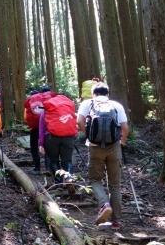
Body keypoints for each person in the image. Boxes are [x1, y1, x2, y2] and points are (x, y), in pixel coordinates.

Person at [77, 82, 129, 230]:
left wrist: (89, 136)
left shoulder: (88, 103)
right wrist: (122, 143)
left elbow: (79, 121)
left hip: (95, 147)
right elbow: (125, 128)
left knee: (95, 179)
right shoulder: (116, 105)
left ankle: (104, 204)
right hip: (114, 146)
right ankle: (116, 221)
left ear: (93, 94)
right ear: (107, 94)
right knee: (115, 185)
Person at [38, 92, 77, 189]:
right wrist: (73, 136)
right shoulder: (67, 110)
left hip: (51, 138)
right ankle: (68, 179)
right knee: (67, 160)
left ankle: (58, 183)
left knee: (54, 161)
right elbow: (72, 123)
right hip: (68, 138)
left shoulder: (45, 112)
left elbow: (42, 129)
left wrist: (41, 144)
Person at [24, 86, 53, 173]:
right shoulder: (45, 101)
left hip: (34, 128)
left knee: (34, 147)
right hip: (45, 127)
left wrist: (30, 123)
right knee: (47, 146)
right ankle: (48, 167)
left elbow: (25, 117)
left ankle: (37, 167)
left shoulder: (29, 103)